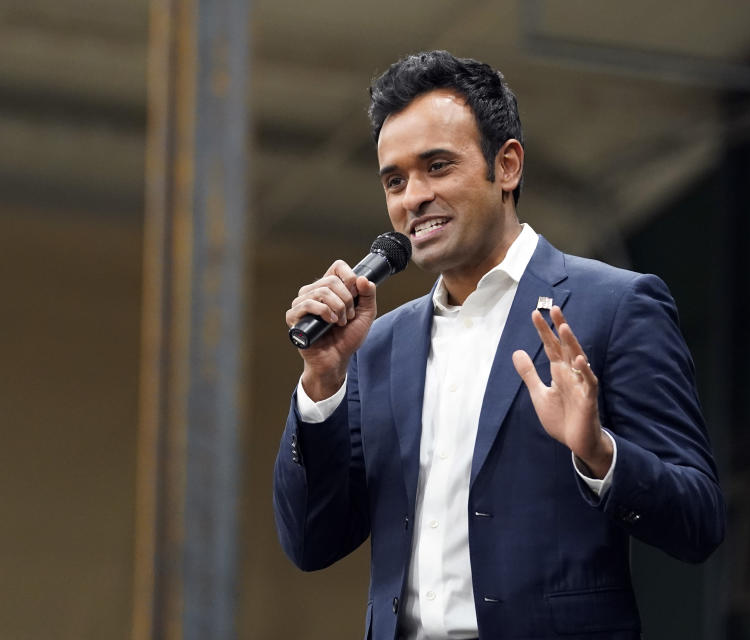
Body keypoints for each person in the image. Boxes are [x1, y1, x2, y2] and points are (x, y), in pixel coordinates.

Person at [275, 50, 724, 640]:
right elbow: (311, 542)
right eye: (395, 179)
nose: (413, 197)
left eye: (437, 166)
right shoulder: (378, 346)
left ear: (506, 165)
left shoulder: (615, 306)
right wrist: (323, 382)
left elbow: (699, 520)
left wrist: (599, 453)